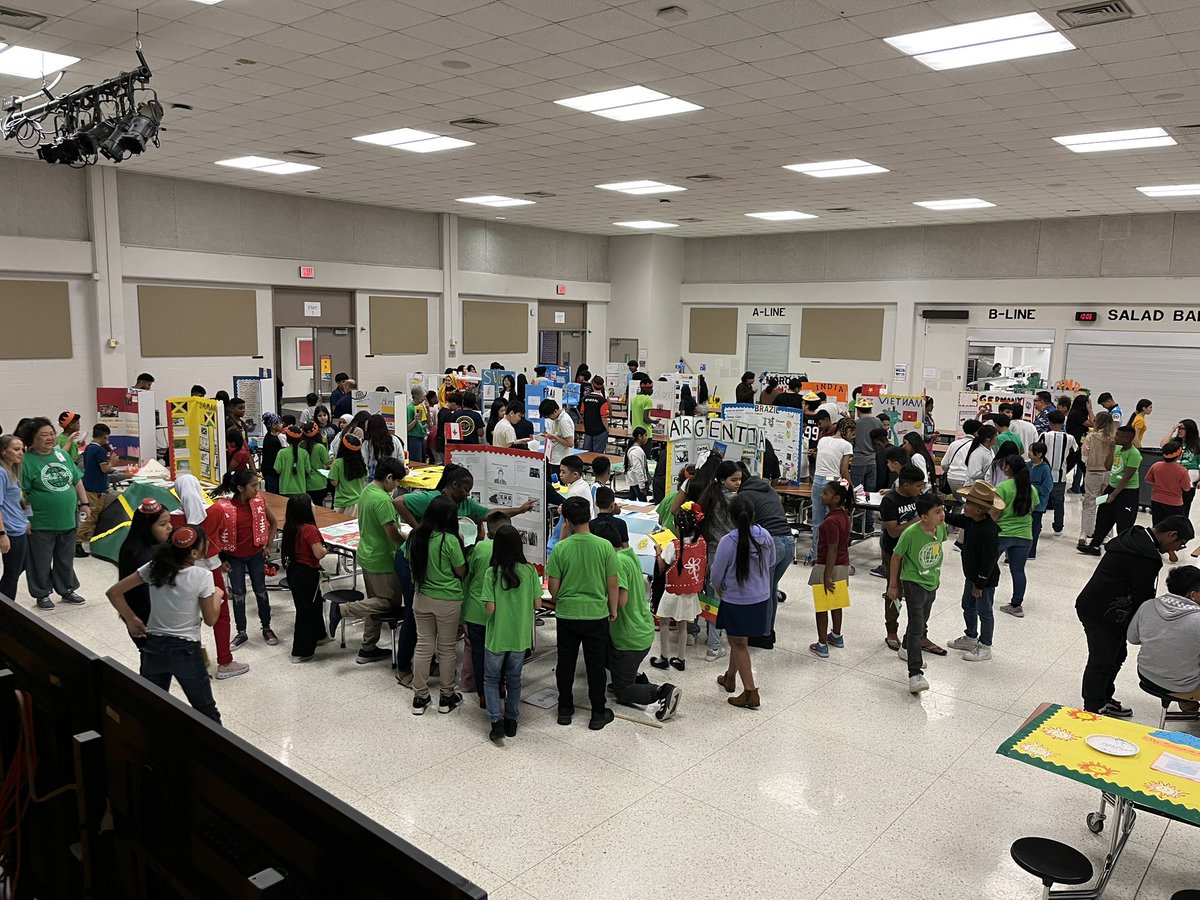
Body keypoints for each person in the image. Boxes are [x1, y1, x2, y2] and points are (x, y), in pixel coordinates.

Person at [1075, 515, 1192, 715]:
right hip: (1104, 613)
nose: (1179, 548)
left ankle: (1103, 697)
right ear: (1172, 535)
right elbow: (1142, 597)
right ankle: (1093, 708)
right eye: (1181, 544)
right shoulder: (1146, 556)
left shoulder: (1134, 536)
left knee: (1117, 654)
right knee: (1102, 659)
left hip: (1095, 604)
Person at [106, 525, 224, 722]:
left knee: (151, 706)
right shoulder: (203, 576)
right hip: (186, 650)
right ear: (194, 553)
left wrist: (131, 619)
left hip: (153, 648)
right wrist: (218, 596)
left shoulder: (155, 566)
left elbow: (113, 592)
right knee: (206, 711)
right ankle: (219, 751)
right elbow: (211, 619)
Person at [592, 518, 680, 722]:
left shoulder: (617, 562)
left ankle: (662, 692)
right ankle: (633, 677)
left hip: (629, 637)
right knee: (604, 656)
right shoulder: (628, 554)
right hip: (642, 629)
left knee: (622, 691)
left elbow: (620, 601)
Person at [547, 496, 619, 730]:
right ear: (589, 515)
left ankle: (564, 709)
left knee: (565, 662)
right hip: (596, 614)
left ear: (566, 520)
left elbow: (553, 588)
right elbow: (612, 584)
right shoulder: (604, 546)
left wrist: (563, 600)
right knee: (596, 664)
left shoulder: (561, 548)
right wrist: (613, 609)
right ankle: (598, 712)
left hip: (567, 614)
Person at [329, 457, 406, 665]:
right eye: (397, 482)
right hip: (382, 559)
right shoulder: (382, 500)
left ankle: (368, 647)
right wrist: (408, 543)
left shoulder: (366, 491)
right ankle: (343, 610)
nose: (397, 487)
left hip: (367, 554)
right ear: (389, 477)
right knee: (388, 602)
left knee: (374, 603)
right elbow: (392, 534)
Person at [175, 474, 248, 680]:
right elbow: (222, 532)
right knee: (221, 614)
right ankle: (224, 661)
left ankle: (193, 662)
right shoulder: (215, 510)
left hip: (184, 573)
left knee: (190, 618)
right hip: (211, 568)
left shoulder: (173, 517)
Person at [711, 495, 775, 709]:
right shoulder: (765, 535)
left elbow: (716, 574)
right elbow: (772, 561)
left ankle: (750, 692)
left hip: (736, 599)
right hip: (761, 597)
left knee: (738, 642)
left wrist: (718, 590)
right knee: (739, 640)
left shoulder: (728, 541)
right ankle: (730, 677)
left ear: (731, 517)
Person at [405, 495, 467, 716]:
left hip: (421, 598)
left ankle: (420, 697)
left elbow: (409, 561)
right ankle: (446, 696)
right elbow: (461, 570)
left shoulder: (415, 537)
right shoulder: (449, 541)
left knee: (423, 646)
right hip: (447, 600)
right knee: (447, 649)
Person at [480, 523, 542, 743]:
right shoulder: (530, 571)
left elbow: (490, 608)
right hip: (519, 637)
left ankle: (496, 722)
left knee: (491, 678)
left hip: (497, 636)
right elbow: (537, 602)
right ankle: (512, 720)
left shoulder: (491, 574)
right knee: (514, 679)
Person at [22, 417, 88, 610]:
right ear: (32, 439)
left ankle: (67, 589)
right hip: (41, 522)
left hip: (68, 517)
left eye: (52, 434)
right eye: (44, 435)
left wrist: (84, 503)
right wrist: (25, 518)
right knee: (40, 561)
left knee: (65, 558)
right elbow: (22, 494)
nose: (50, 438)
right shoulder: (26, 461)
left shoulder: (61, 455)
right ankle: (41, 593)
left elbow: (76, 479)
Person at [887, 493, 948, 694]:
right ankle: (915, 673)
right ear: (923, 517)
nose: (942, 515)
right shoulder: (910, 533)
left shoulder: (941, 529)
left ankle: (906, 647)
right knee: (917, 627)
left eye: (942, 510)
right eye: (937, 512)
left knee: (920, 621)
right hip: (913, 583)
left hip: (932, 582)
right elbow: (896, 557)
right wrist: (893, 585)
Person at [213, 469, 280, 648]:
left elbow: (273, 523)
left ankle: (266, 627)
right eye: (253, 486)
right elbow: (214, 534)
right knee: (238, 594)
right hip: (233, 558)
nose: (257, 489)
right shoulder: (223, 507)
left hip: (256, 556)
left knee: (261, 591)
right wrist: (220, 559)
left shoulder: (259, 502)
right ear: (241, 488)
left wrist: (268, 546)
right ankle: (241, 632)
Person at [1128, 565, 1200, 713]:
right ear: (1193, 595)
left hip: (1147, 676)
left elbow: (1132, 639)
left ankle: (1189, 707)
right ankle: (1188, 702)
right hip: (1182, 686)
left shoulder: (1148, 606)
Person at [945, 481, 1004, 662]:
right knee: (968, 606)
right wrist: (938, 511)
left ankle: (985, 645)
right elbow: (952, 519)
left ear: (979, 509)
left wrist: (980, 583)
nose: (965, 506)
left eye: (968, 503)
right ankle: (970, 637)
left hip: (984, 580)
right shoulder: (970, 520)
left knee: (984, 611)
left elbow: (989, 561)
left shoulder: (989, 531)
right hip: (970, 575)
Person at [737, 465, 794, 648]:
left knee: (764, 591)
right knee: (770, 590)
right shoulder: (766, 487)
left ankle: (763, 635)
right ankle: (768, 630)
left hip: (771, 543)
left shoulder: (744, 495)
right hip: (788, 541)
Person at [695, 458, 744, 661]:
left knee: (708, 596)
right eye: (734, 480)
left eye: (740, 479)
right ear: (723, 479)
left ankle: (705, 636)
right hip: (727, 555)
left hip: (708, 552)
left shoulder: (709, 496)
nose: (738, 483)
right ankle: (714, 646)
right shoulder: (734, 501)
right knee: (719, 599)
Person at [653, 502, 705, 670]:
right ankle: (681, 659)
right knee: (683, 625)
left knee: (665, 623)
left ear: (677, 526)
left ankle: (664, 657)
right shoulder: (702, 542)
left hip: (673, 591)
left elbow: (662, 567)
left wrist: (658, 552)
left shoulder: (673, 545)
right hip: (690, 591)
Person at [463, 512, 506, 711]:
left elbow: (467, 577)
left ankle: (483, 694)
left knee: (479, 654)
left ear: (487, 531)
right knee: (501, 652)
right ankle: (500, 687)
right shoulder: (512, 552)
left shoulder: (480, 548)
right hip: (502, 612)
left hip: (476, 610)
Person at [116, 498, 173, 647]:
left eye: (169, 522)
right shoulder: (139, 555)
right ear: (146, 526)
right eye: (163, 524)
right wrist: (130, 618)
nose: (170, 527)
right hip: (148, 623)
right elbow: (149, 594)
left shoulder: (152, 545)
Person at [281, 495, 328, 662]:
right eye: (312, 503)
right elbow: (319, 553)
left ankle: (320, 635)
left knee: (314, 604)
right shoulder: (310, 529)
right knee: (305, 612)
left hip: (294, 571)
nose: (314, 505)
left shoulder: (291, 526)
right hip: (307, 573)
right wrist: (325, 549)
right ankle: (301, 651)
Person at [1081, 425, 1142, 556]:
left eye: (1118, 435)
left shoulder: (1134, 454)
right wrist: (1113, 449)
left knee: (1124, 522)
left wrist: (1114, 495)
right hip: (1112, 487)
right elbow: (1107, 466)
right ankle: (1095, 546)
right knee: (1103, 516)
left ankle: (1123, 552)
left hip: (1127, 492)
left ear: (1127, 438)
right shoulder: (1118, 449)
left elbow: (1127, 477)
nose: (1115, 437)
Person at [808, 480, 851, 659]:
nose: (821, 495)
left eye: (825, 493)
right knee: (836, 603)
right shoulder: (844, 516)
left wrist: (826, 576)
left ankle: (822, 644)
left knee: (822, 607)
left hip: (829, 567)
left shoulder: (831, 522)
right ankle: (836, 635)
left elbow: (831, 549)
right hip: (843, 565)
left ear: (836, 498)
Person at [995, 456, 1036, 618]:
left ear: (1008, 468)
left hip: (1002, 533)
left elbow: (995, 512)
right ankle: (1016, 605)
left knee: (989, 565)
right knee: (1018, 570)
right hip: (1025, 535)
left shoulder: (1002, 487)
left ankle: (982, 595)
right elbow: (1034, 509)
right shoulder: (1031, 489)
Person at [808, 417, 853, 564]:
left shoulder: (823, 440)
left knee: (817, 522)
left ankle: (816, 555)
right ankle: (829, 557)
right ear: (847, 430)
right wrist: (851, 487)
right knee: (832, 521)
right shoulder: (846, 445)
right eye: (853, 432)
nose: (854, 436)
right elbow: (844, 470)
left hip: (817, 481)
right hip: (833, 482)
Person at [1078, 412, 1116, 551]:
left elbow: (1084, 456)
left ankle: (1085, 533)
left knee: (1090, 502)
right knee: (1105, 503)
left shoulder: (1091, 437)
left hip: (1093, 472)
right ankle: (1106, 535)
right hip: (1109, 473)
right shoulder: (1114, 439)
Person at [78, 423, 116, 555]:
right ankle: (77, 542)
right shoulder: (99, 450)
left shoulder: (88, 448)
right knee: (91, 517)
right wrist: (112, 462)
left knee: (92, 515)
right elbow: (105, 469)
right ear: (105, 436)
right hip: (96, 488)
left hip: (89, 485)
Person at [1036, 410, 1076, 536]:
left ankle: (1038, 525)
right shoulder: (1070, 438)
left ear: (1050, 422)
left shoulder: (1044, 435)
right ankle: (1058, 527)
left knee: (1040, 500)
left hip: (1044, 475)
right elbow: (1075, 452)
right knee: (1059, 503)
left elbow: (1037, 450)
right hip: (1061, 475)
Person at [0, 436, 29, 603]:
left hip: (19, 526)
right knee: (12, 574)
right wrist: (2, 534)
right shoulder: (1, 473)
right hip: (10, 530)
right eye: (16, 450)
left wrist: (26, 519)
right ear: (4, 452)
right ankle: (7, 608)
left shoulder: (11, 471)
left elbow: (15, 500)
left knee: (21, 565)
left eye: (22, 449)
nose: (21, 453)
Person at [1146, 442, 1190, 528]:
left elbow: (1148, 480)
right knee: (1173, 527)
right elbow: (1187, 488)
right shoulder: (1182, 471)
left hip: (1156, 500)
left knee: (1157, 525)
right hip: (1174, 504)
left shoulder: (1156, 466)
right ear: (1178, 455)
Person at [849, 397, 878, 528]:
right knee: (870, 494)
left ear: (858, 410)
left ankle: (858, 524)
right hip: (873, 461)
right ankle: (869, 523)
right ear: (870, 409)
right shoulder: (877, 422)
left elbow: (851, 442)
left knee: (858, 493)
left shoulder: (856, 424)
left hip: (858, 461)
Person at [1163, 418, 1200, 516]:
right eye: (1179, 428)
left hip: (1190, 479)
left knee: (1185, 508)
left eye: (1183, 429)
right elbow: (1163, 445)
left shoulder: (1197, 445)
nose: (1180, 431)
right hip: (1174, 478)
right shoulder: (1175, 443)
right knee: (1172, 507)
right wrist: (1172, 429)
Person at [328, 432, 367, 515]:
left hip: (342, 502)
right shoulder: (362, 464)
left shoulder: (337, 463)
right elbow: (365, 478)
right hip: (358, 501)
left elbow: (334, 483)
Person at [1026, 443, 1053, 560]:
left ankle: (1031, 552)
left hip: (1038, 505)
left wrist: (1032, 488)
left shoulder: (1045, 469)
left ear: (1039, 454)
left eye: (1031, 451)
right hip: (1026, 503)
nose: (1028, 452)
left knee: (1035, 528)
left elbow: (1047, 488)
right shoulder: (1028, 465)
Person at [1066, 394, 1093, 493]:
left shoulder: (1077, 413)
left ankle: (1083, 488)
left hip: (1080, 444)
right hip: (1075, 445)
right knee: (1069, 465)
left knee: (1084, 467)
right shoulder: (1076, 414)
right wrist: (1090, 410)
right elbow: (1093, 423)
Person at [363, 413, 405, 478]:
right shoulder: (395, 440)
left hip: (373, 480)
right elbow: (401, 459)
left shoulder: (367, 444)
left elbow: (364, 462)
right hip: (392, 478)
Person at [275, 426, 310, 498]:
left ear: (287, 438)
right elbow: (308, 470)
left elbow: (278, 470)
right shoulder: (304, 453)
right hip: (301, 489)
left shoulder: (281, 453)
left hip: (285, 489)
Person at [301, 422, 331, 507]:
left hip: (304, 483)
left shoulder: (300, 446)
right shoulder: (320, 447)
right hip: (319, 483)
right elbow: (328, 464)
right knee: (319, 509)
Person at [581, 376, 609, 453]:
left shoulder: (585, 398)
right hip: (600, 431)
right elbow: (604, 417)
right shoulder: (603, 401)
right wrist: (607, 430)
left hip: (588, 430)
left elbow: (582, 413)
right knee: (597, 454)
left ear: (592, 384)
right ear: (602, 385)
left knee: (586, 453)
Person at [260, 413, 284, 495]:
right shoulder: (272, 440)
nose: (282, 424)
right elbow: (274, 457)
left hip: (269, 471)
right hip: (271, 473)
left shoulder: (270, 437)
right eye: (280, 423)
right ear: (273, 425)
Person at [625, 427, 650, 501]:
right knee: (643, 503)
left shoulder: (635, 449)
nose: (647, 438)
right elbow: (638, 469)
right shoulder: (636, 451)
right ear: (639, 436)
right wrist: (642, 485)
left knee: (632, 500)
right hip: (637, 482)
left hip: (634, 480)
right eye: (645, 435)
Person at [406, 386, 428, 463]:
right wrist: (415, 420)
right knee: (416, 461)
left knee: (423, 460)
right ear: (417, 397)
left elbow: (425, 422)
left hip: (422, 436)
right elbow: (407, 427)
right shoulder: (410, 408)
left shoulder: (421, 406)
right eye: (423, 396)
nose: (425, 398)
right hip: (413, 437)